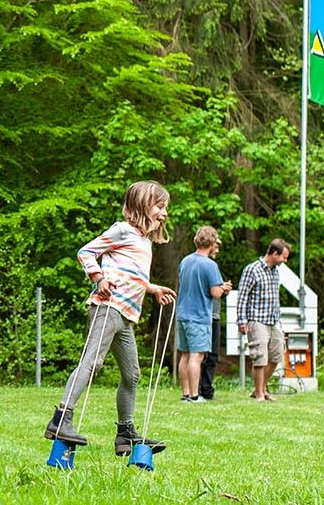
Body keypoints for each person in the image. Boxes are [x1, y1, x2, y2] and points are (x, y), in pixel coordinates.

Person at [43, 181, 176, 456]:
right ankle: (60, 420)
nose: (163, 213)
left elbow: (131, 275)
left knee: (132, 374)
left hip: (126, 316)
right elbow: (86, 252)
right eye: (159, 206)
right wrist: (98, 277)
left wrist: (151, 289)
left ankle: (125, 435)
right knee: (91, 363)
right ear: (141, 205)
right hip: (108, 308)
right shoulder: (122, 230)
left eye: (165, 208)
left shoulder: (143, 240)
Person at [175, 226, 232, 402]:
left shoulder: (185, 261)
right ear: (212, 242)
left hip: (182, 314)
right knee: (197, 355)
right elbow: (215, 293)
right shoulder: (210, 265)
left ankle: (185, 394)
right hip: (199, 316)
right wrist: (223, 287)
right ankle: (194, 395)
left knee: (184, 355)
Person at [235, 239, 291, 402]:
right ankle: (259, 394)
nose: (284, 261)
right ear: (274, 253)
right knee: (260, 357)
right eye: (283, 257)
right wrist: (242, 321)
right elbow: (242, 296)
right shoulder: (252, 270)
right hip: (257, 319)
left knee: (276, 355)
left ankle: (261, 388)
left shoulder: (275, 271)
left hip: (274, 320)